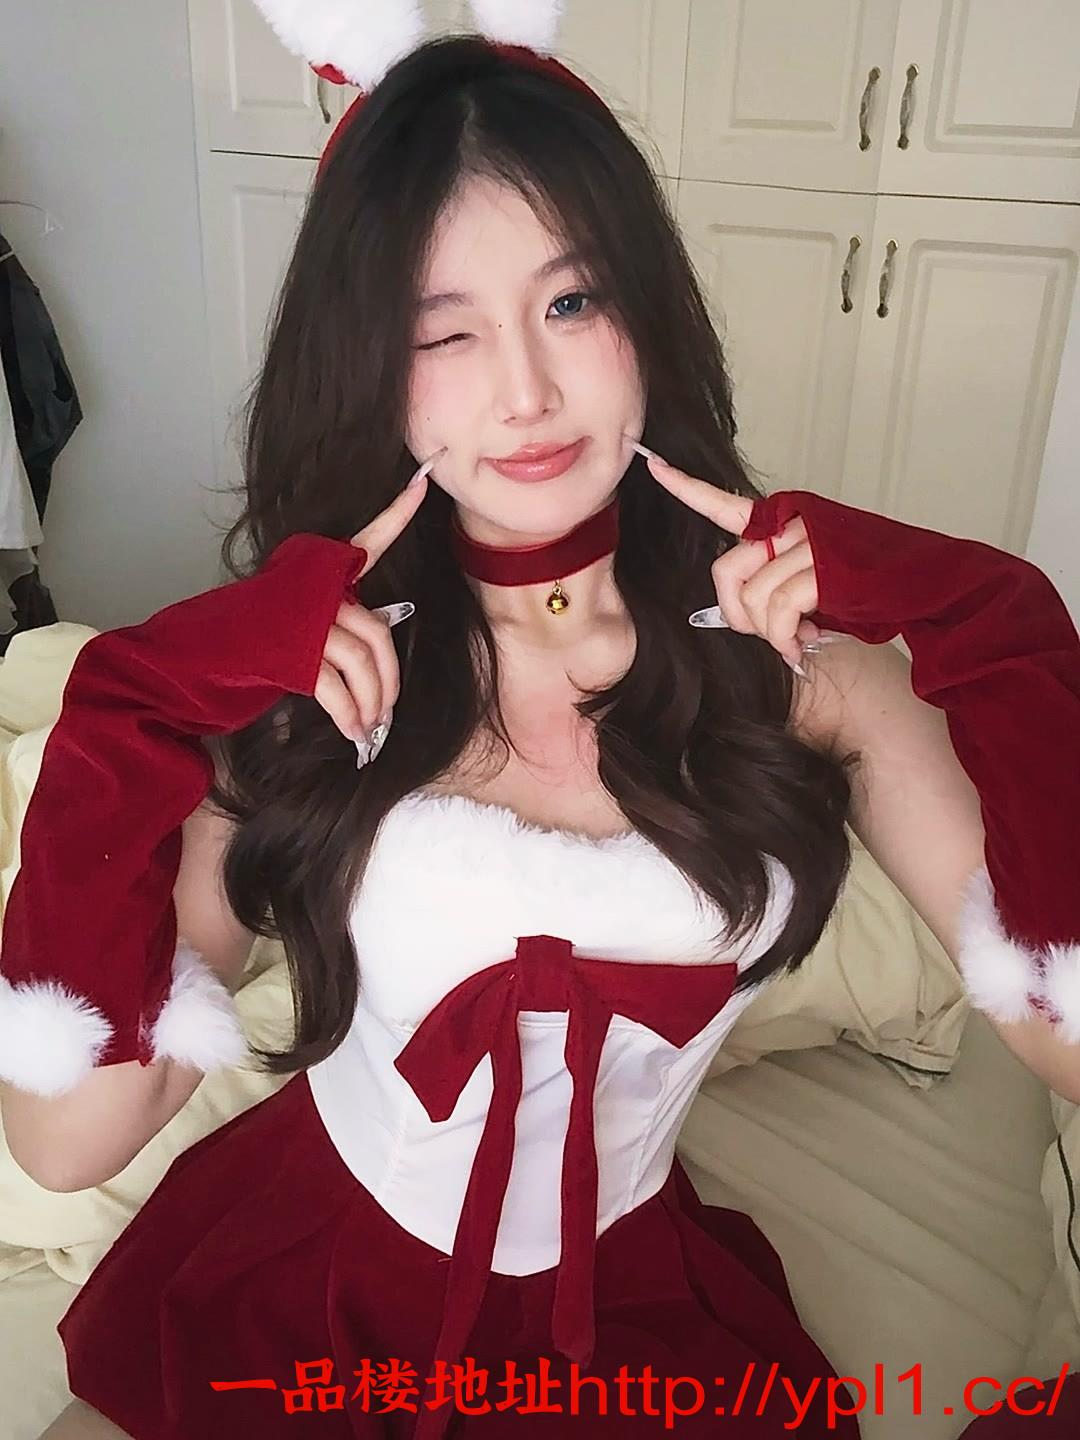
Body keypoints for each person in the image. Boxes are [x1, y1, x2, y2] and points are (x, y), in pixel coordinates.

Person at [4, 14, 1079, 1439]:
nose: (525, 392)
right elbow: (64, 1141)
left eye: (572, 302)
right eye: (442, 331)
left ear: (648, 311)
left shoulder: (811, 679)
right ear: (367, 364)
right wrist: (128, 702)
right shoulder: (308, 689)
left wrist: (992, 617)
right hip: (313, 1284)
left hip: (630, 1309)